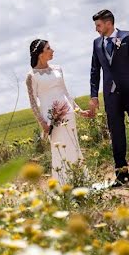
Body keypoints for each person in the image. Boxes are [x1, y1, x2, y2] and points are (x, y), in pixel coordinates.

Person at [86, 9, 129, 185]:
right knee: (116, 135)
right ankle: (122, 176)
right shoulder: (96, 44)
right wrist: (94, 96)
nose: (96, 29)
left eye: (98, 25)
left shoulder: (128, 37)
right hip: (111, 97)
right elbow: (95, 71)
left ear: (109, 23)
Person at [25, 39, 89, 185]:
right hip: (51, 118)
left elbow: (65, 92)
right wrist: (43, 123)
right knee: (58, 149)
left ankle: (82, 182)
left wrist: (78, 110)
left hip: (68, 113)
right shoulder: (31, 76)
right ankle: (63, 185)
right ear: (40, 53)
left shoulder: (58, 69)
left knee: (74, 145)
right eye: (48, 48)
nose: (52, 50)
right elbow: (33, 103)